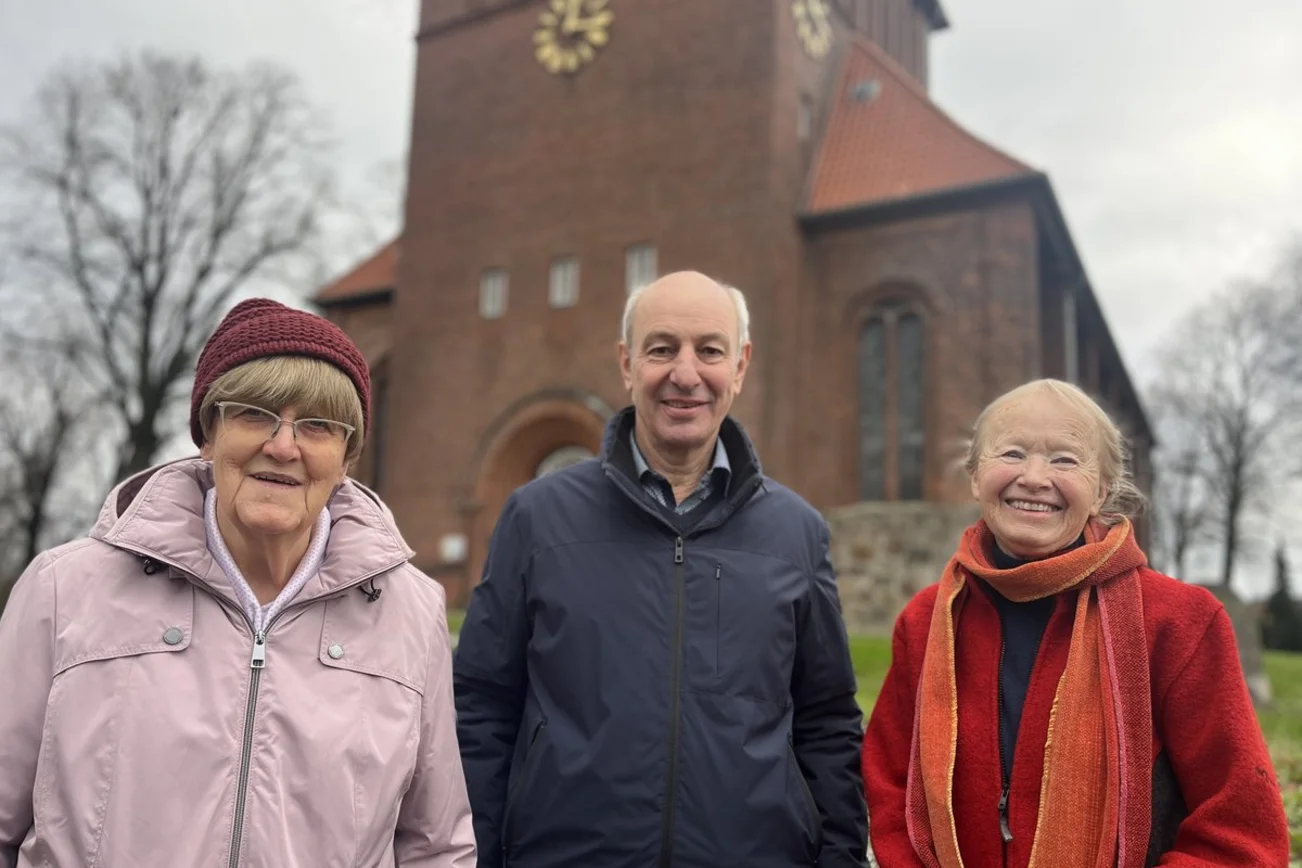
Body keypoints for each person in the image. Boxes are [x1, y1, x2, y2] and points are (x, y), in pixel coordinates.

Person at [0, 298, 476, 868]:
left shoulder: (412, 610)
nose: (283, 445)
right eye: (254, 414)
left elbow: (437, 846)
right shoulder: (66, 587)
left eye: (318, 426)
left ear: (346, 456)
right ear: (209, 434)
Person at [453, 271, 868, 867]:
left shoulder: (795, 533)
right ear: (627, 364)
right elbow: (482, 708)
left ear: (741, 366)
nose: (685, 373)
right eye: (662, 348)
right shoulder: (537, 519)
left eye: (710, 350)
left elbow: (827, 721)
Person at [861, 379, 1290, 868]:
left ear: (1101, 489)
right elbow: (892, 787)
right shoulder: (925, 622)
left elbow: (1238, 834)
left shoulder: (1179, 622)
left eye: (1064, 459)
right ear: (975, 476)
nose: (1034, 477)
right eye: (1012, 453)